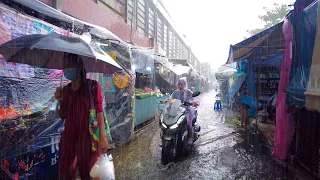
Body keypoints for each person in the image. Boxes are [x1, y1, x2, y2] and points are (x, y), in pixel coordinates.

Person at [54, 53, 108, 180]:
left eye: (69, 65)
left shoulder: (92, 86)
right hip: (69, 138)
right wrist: (60, 100)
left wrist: (103, 137)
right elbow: (63, 116)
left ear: (78, 67)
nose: (66, 69)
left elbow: (99, 112)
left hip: (88, 138)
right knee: (65, 173)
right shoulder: (65, 90)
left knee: (88, 173)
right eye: (64, 66)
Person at [164, 77, 195, 145]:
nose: (180, 86)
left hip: (186, 111)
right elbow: (172, 99)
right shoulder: (175, 92)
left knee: (189, 123)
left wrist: (193, 102)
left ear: (184, 84)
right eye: (179, 84)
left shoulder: (188, 92)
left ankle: (190, 137)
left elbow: (193, 99)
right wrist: (167, 101)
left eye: (181, 84)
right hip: (177, 111)